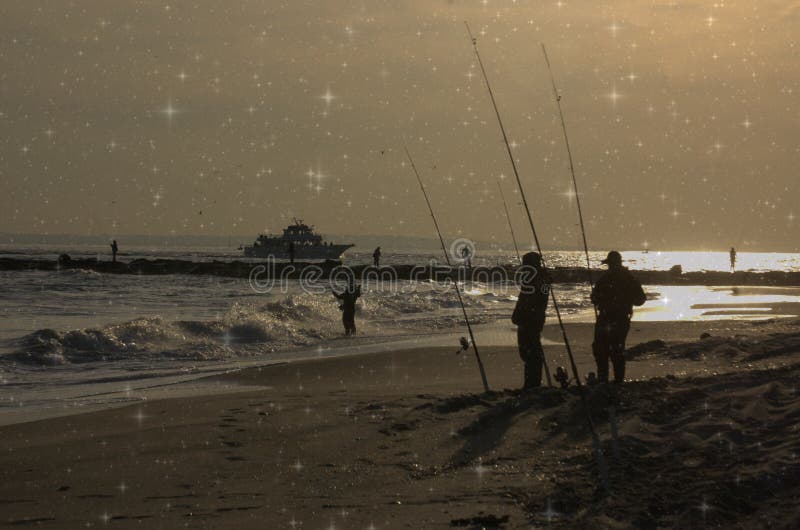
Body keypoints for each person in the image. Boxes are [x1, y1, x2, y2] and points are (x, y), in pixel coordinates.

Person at [591, 250, 646, 384]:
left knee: (601, 349)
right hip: (621, 318)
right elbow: (640, 299)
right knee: (616, 349)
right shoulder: (629, 278)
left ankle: (604, 379)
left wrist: (606, 299)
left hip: (606, 317)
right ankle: (617, 380)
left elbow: (594, 298)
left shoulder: (604, 279)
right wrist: (625, 300)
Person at [512, 252, 550, 389]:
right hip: (534, 318)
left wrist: (520, 314)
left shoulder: (536, 278)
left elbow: (528, 299)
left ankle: (532, 384)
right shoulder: (541, 277)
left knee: (530, 351)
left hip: (530, 319)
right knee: (530, 351)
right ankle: (531, 383)